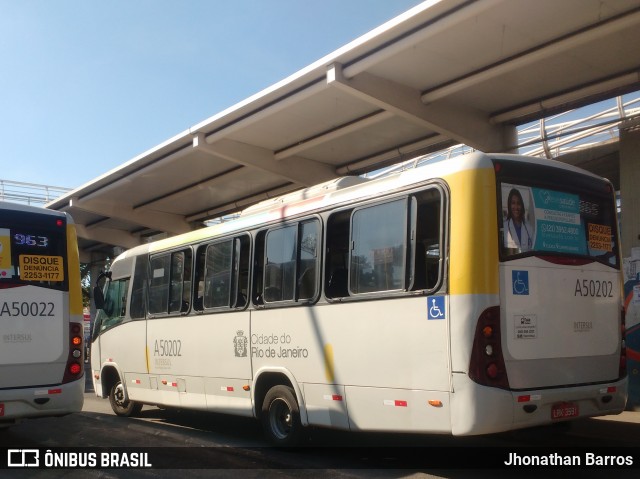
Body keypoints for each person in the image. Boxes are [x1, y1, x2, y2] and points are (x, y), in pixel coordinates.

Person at [503, 188, 533, 252]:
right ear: (509, 205)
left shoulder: (529, 228)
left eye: (518, 203)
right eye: (513, 203)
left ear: (521, 205)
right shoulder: (504, 227)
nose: (516, 207)